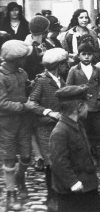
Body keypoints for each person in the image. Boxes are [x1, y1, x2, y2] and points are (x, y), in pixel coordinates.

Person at [50, 85, 100, 212]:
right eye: (86, 105)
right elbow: (58, 162)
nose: (88, 109)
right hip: (71, 190)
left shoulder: (78, 125)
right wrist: (72, 182)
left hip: (87, 184)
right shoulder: (60, 131)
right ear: (79, 107)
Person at [29, 48, 70, 211]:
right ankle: (51, 196)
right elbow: (31, 104)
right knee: (51, 163)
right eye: (65, 64)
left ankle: (61, 192)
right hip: (45, 127)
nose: (67, 66)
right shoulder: (42, 81)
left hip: (60, 127)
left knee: (61, 159)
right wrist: (50, 113)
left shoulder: (61, 79)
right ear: (58, 65)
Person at [0, 40, 37, 210]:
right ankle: (10, 193)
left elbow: (25, 86)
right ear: (15, 59)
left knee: (26, 156)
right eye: (23, 58)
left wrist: (32, 84)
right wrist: (24, 106)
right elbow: (2, 103)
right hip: (7, 123)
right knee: (9, 158)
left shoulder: (21, 72)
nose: (25, 60)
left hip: (24, 122)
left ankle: (20, 178)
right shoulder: (1, 76)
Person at [66, 42, 100, 162]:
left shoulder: (96, 69)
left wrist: (99, 96)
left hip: (94, 106)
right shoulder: (74, 70)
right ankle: (83, 155)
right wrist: (79, 94)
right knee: (82, 130)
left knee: (95, 131)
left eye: (89, 54)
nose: (87, 57)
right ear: (79, 56)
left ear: (93, 56)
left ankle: (93, 152)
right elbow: (68, 87)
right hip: (80, 107)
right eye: (84, 54)